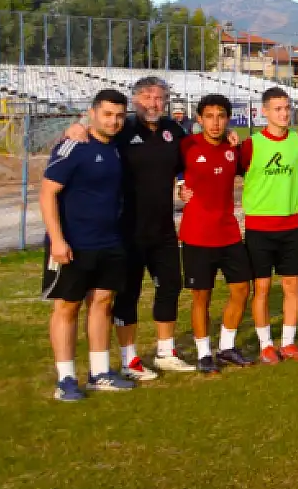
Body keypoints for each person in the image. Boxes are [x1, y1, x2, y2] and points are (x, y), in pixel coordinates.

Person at [60, 75, 189, 378]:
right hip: (126, 230)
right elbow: (93, 134)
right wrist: (77, 125)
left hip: (163, 228)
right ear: (135, 101)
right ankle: (129, 358)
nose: (153, 103)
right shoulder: (122, 128)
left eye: (158, 97)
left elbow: (186, 164)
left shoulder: (173, 131)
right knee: (127, 294)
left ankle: (166, 351)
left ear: (166, 100)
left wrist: (184, 183)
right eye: (146, 97)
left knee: (170, 286)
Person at [40, 88, 131, 400]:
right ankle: (65, 379)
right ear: (92, 114)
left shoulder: (118, 147)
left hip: (109, 241)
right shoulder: (73, 145)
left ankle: (100, 372)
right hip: (73, 243)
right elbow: (48, 193)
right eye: (107, 114)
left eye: (119, 115)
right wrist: (57, 239)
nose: (114, 121)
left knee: (102, 304)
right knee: (67, 307)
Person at [178, 94, 253, 371]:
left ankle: (226, 346)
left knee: (241, 289)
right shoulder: (186, 145)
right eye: (209, 116)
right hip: (197, 234)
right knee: (202, 296)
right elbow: (166, 171)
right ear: (199, 119)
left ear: (228, 119)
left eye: (221, 116)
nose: (215, 122)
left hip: (229, 232)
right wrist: (177, 188)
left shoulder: (235, 149)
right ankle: (203, 354)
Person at [240, 86, 298, 364]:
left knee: (292, 286)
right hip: (260, 228)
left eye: (287, 108)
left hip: (291, 226)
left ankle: (289, 343)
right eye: (277, 109)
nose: (284, 114)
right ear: (264, 111)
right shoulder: (250, 145)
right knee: (263, 288)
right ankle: (266, 344)